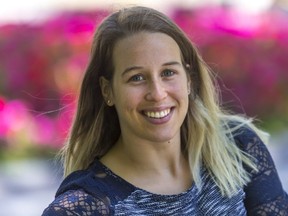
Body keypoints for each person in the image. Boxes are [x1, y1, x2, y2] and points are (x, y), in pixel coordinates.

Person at [42, 6, 288, 215]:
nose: (158, 93)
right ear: (107, 91)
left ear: (189, 78)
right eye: (136, 77)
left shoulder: (238, 147)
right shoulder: (84, 206)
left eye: (168, 73)